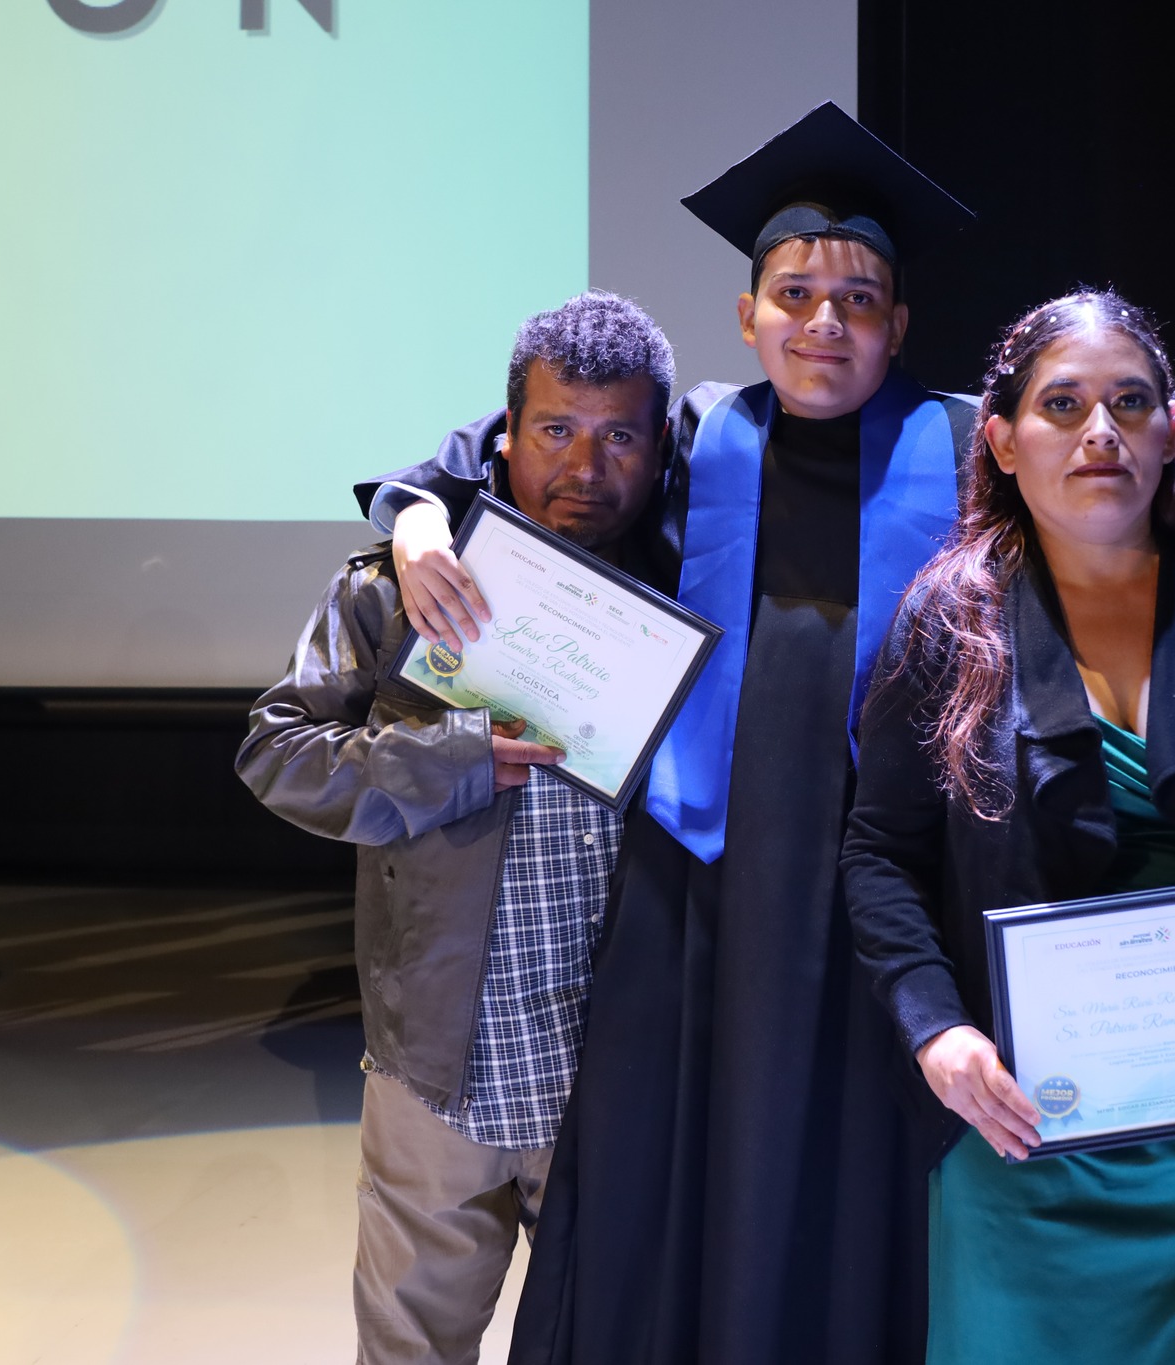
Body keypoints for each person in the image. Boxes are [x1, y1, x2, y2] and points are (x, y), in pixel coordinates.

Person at [363, 106, 1175, 1365]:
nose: (823, 323)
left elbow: (1143, 514)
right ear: (747, 315)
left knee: (886, 1193)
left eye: (857, 300)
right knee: (700, 1187)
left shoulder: (965, 441)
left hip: (903, 891)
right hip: (707, 899)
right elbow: (527, 453)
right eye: (794, 294)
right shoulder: (695, 439)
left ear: (897, 327)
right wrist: (419, 512)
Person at [839, 289, 1175, 1363]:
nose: (1100, 431)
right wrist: (938, 1034)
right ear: (1002, 441)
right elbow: (879, 854)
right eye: (1062, 404)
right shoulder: (948, 618)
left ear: (1170, 429)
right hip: (1022, 1120)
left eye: (1130, 403)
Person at [234, 291, 677, 1365]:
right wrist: (448, 759)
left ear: (661, 447)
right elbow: (275, 753)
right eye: (555, 429)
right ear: (504, 435)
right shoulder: (402, 589)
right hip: (440, 1061)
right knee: (411, 1348)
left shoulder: (690, 596)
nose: (585, 465)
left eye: (619, 436)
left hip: (617, 1068)